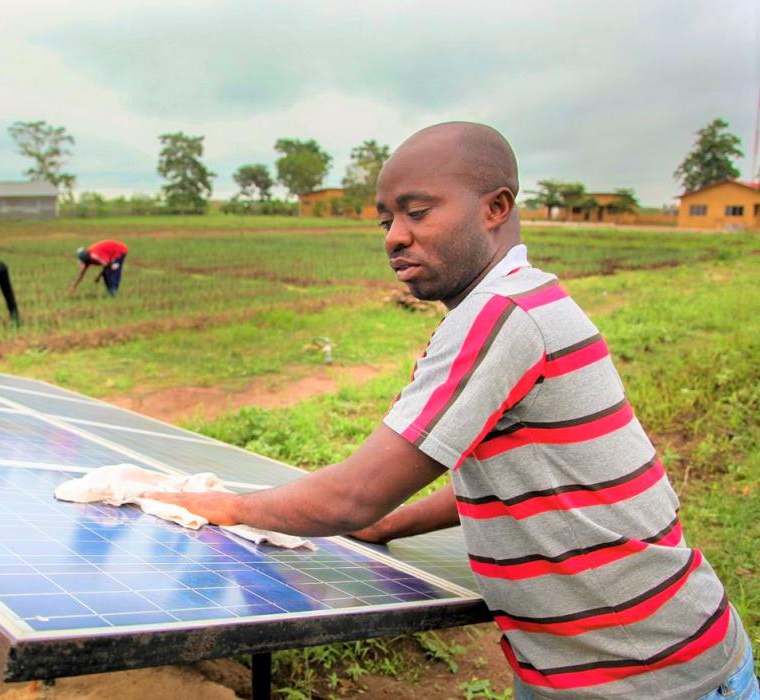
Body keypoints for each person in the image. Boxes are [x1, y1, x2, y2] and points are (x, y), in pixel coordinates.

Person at [147, 123, 755, 700]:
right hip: (601, 669)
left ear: (495, 208)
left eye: (417, 211)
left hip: (651, 677)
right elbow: (517, 475)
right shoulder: (522, 300)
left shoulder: (501, 316)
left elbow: (353, 497)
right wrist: (392, 525)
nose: (393, 235)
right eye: (386, 220)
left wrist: (224, 507)